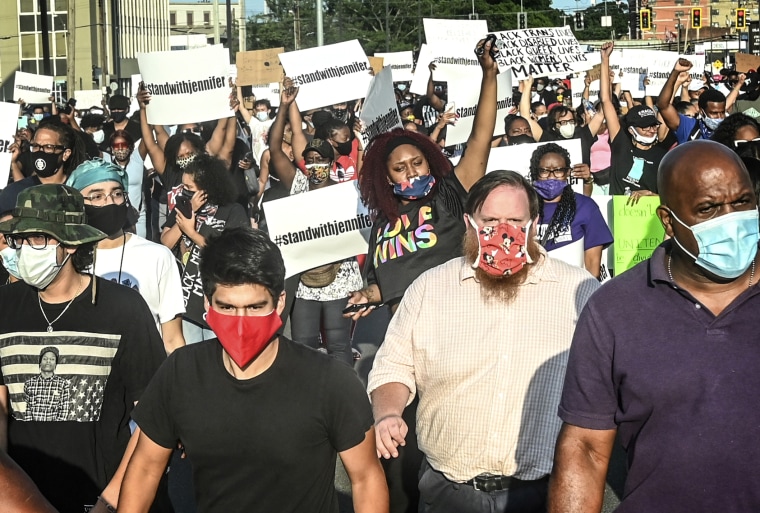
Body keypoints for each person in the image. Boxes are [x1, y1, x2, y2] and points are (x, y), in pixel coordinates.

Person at [368, 171, 600, 513]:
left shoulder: (578, 292)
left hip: (541, 490)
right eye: (489, 220)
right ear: (468, 222)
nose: (502, 231)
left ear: (534, 224)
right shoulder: (430, 288)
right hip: (449, 490)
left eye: (515, 220)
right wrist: (388, 413)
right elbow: (393, 365)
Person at [549, 140, 760, 513]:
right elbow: (584, 448)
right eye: (708, 209)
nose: (731, 220)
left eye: (742, 202)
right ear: (668, 220)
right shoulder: (614, 309)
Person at [117, 227, 389, 513]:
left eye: (255, 307)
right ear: (207, 304)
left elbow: (365, 478)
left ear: (280, 302)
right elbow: (146, 467)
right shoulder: (181, 372)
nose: (241, 322)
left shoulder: (331, 381)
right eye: (228, 308)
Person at [0, 184, 168, 512]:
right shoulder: (3, 306)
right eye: (19, 239)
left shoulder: (123, 307)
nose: (24, 250)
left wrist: (110, 501)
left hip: (100, 496)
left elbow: (152, 419)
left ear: (71, 242)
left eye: (38, 238)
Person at [346, 36, 499, 313]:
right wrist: (367, 294)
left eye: (417, 162)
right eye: (400, 168)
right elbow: (389, 282)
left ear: (429, 162)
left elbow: (480, 137)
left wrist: (488, 74)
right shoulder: (382, 221)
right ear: (387, 178)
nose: (412, 172)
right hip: (403, 340)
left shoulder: (450, 192)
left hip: (455, 325)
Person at [66, 159, 186, 354]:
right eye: (97, 196)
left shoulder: (157, 256)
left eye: (117, 193)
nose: (110, 202)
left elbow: (172, 339)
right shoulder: (68, 257)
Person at [160, 154, 249, 343]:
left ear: (207, 188)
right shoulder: (183, 205)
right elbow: (166, 243)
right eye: (183, 186)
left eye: (189, 188)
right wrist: (188, 210)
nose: (183, 191)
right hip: (186, 298)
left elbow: (230, 254)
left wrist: (192, 234)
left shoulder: (233, 211)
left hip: (217, 295)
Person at [530, 143, 612, 278]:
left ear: (567, 173)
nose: (551, 177)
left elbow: (593, 262)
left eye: (558, 170)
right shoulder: (523, 207)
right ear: (535, 172)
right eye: (544, 171)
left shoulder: (586, 207)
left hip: (572, 289)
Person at [600, 42, 668, 198]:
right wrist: (605, 59)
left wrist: (651, 195)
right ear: (631, 129)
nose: (652, 130)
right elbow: (606, 100)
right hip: (618, 216)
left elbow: (673, 196)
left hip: (649, 217)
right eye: (645, 127)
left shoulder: (662, 155)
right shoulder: (620, 143)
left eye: (654, 125)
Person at [657, 58, 727, 143]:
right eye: (714, 113)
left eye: (722, 113)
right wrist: (675, 72)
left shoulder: (730, 131)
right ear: (701, 111)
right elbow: (663, 105)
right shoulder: (688, 126)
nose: (719, 117)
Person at [23, 347, 70, 422]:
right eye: (45, 359)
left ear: (56, 364)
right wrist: (31, 429)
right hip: (33, 430)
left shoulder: (63, 384)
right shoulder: (29, 384)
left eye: (52, 359)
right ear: (40, 362)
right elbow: (27, 410)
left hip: (54, 430)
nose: (48, 361)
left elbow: (63, 412)